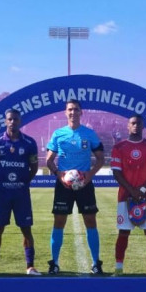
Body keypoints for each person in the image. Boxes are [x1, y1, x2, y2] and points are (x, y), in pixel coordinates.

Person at [45, 99, 105, 275]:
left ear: (81, 112)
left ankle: (96, 263)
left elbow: (100, 159)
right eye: (70, 109)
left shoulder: (89, 134)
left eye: (76, 109)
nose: (73, 112)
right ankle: (54, 263)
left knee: (90, 221)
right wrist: (59, 175)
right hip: (64, 185)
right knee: (59, 222)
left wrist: (90, 175)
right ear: (66, 112)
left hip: (84, 183)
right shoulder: (58, 134)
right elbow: (49, 160)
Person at [0, 108, 41, 276]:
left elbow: (34, 167)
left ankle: (30, 266)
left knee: (26, 229)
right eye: (10, 119)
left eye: (15, 119)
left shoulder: (29, 143)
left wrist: (23, 182)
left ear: (20, 121)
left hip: (21, 194)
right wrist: (3, 181)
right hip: (2, 194)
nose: (12, 121)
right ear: (5, 121)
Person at [110, 114, 146, 276]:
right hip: (125, 196)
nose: (135, 126)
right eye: (132, 123)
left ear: (143, 126)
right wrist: (132, 190)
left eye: (138, 123)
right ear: (128, 126)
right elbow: (117, 173)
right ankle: (118, 268)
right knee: (123, 232)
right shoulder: (119, 147)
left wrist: (142, 190)